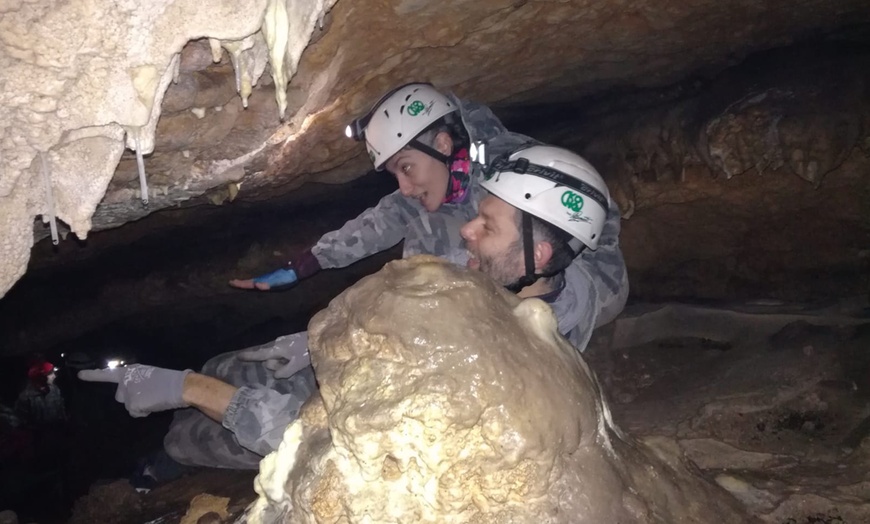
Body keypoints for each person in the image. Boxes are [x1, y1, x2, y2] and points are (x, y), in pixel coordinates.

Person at [77, 89, 627, 472]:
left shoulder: (498, 352)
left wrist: (190, 389)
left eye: (484, 227)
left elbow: (325, 437)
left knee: (207, 431)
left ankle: (175, 457)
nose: (465, 235)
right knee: (234, 366)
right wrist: (315, 301)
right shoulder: (505, 247)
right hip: (418, 327)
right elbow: (386, 223)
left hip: (419, 359)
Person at [461, 143, 628, 350]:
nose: (466, 230)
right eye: (478, 216)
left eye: (488, 226)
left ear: (536, 256)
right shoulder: (493, 268)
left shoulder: (523, 354)